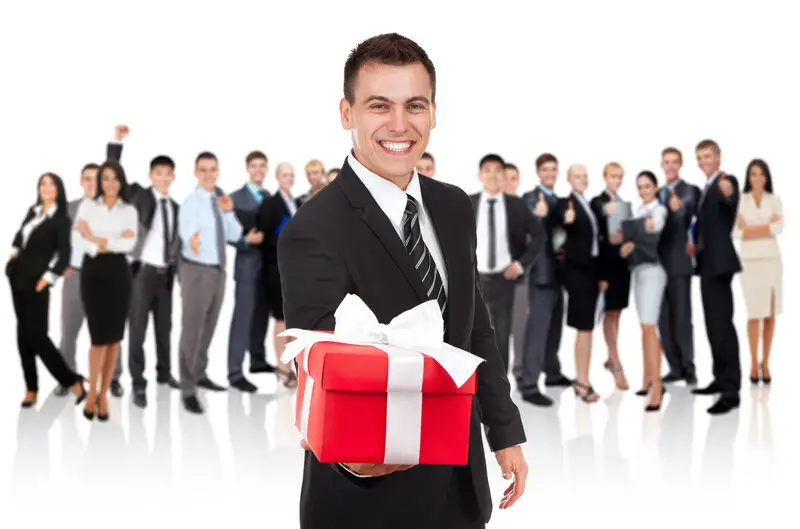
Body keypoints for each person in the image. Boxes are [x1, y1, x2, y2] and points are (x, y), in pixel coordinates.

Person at [277, 33, 527, 529]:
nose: (399, 125)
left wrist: (504, 432)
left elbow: (475, 327)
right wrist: (355, 460)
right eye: (378, 106)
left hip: (459, 486)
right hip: (364, 494)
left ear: (434, 111)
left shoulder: (454, 205)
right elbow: (321, 367)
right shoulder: (312, 229)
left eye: (414, 105)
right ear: (346, 113)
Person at [7, 173, 87, 408]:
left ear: (59, 189)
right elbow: (19, 236)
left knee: (38, 337)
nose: (46, 187)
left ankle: (72, 380)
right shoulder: (33, 211)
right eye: (42, 183)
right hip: (17, 279)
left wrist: (47, 279)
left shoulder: (61, 219)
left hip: (37, 282)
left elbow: (65, 255)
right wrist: (12, 259)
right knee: (22, 336)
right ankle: (31, 389)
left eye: (51, 184)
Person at [72, 160, 138, 421]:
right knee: (98, 338)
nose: (110, 183)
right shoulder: (88, 205)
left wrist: (96, 237)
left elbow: (130, 244)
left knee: (114, 339)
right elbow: (76, 239)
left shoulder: (129, 210)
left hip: (119, 275)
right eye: (106, 178)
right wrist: (108, 242)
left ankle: (103, 395)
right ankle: (91, 394)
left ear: (121, 181)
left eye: (115, 178)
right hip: (93, 274)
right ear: (99, 181)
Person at [177, 151, 242, 414]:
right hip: (197, 271)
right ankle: (187, 387)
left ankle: (200, 372)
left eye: (212, 169)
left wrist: (227, 212)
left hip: (218, 271)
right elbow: (186, 233)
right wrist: (191, 239)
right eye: (203, 169)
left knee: (209, 326)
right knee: (192, 329)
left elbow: (235, 234)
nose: (208, 174)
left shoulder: (219, 201)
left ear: (218, 172)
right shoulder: (191, 202)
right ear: (196, 173)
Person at [468, 153, 545, 374]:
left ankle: (500, 394)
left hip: (504, 278)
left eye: (497, 171)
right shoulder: (467, 202)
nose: (493, 175)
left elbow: (538, 236)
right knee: (472, 334)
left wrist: (520, 265)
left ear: (503, 176)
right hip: (475, 278)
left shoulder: (515, 205)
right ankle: (474, 391)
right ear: (480, 175)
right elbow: (453, 237)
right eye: (488, 170)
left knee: (501, 335)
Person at [125, 152, 182, 408]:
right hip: (142, 273)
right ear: (150, 176)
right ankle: (138, 381)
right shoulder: (139, 197)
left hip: (165, 274)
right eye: (158, 173)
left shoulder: (176, 207)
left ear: (173, 177)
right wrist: (116, 146)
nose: (163, 178)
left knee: (164, 327)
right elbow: (118, 181)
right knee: (137, 329)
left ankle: (163, 372)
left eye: (167, 173)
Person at [691, 139, 742, 415]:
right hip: (707, 264)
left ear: (718, 157)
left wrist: (727, 192)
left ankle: (731, 390)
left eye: (707, 156)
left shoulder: (725, 180)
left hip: (720, 264)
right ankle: (720, 378)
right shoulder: (705, 187)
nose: (703, 161)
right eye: (699, 157)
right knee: (712, 325)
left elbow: (730, 197)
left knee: (722, 325)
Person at [519, 153, 572, 400]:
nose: (550, 173)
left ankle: (552, 373)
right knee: (538, 329)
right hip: (541, 272)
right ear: (539, 172)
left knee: (554, 328)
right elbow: (523, 229)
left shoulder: (560, 201)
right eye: (546, 169)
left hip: (560, 273)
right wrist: (536, 215)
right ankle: (529, 385)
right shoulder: (531, 198)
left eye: (553, 169)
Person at [619, 171, 668, 411]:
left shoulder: (659, 210)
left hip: (653, 272)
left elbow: (655, 229)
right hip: (637, 271)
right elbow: (630, 237)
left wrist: (643, 233)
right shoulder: (638, 211)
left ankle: (657, 388)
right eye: (640, 187)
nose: (643, 191)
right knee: (644, 327)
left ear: (656, 188)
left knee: (650, 328)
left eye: (648, 186)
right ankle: (647, 378)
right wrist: (626, 246)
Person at [227, 150, 272, 394]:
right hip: (246, 268)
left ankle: (257, 360)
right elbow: (227, 232)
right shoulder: (234, 198)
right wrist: (245, 239)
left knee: (261, 317)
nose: (258, 170)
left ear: (266, 169)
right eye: (254, 165)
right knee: (242, 319)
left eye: (262, 166)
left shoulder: (268, 196)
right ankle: (234, 372)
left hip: (267, 268)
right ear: (247, 168)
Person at [734, 158, 782, 385]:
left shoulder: (775, 200)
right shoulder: (740, 201)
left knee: (770, 314)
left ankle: (766, 361)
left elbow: (779, 228)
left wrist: (751, 227)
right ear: (748, 177)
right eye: (753, 173)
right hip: (750, 262)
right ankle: (753, 362)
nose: (757, 178)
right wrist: (765, 227)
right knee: (755, 314)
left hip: (772, 261)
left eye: (761, 173)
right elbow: (737, 233)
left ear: (767, 177)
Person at [557, 164, 602, 403]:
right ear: (569, 179)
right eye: (577, 176)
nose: (582, 179)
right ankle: (582, 382)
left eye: (585, 176)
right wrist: (567, 220)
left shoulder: (588, 203)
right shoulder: (568, 204)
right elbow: (562, 221)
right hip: (578, 274)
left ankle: (582, 379)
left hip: (590, 272)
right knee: (584, 328)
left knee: (587, 329)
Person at [657, 147, 701, 386]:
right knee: (664, 319)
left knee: (683, 318)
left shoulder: (690, 191)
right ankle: (674, 367)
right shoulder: (657, 193)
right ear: (662, 165)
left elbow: (694, 220)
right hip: (657, 265)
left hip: (680, 263)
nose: (670, 166)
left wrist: (679, 210)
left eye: (675, 162)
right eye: (666, 162)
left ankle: (689, 367)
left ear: (681, 164)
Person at [256, 162, 299, 388]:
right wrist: (288, 238)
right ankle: (282, 369)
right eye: (284, 175)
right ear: (276, 177)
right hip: (276, 270)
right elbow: (263, 239)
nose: (289, 178)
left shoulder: (296, 202)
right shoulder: (270, 204)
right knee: (281, 320)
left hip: (294, 271)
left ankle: (292, 366)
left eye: (291, 175)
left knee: (293, 321)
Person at [590, 162, 631, 391]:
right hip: (606, 265)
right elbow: (593, 236)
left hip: (622, 264)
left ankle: (610, 355)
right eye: (612, 176)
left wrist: (628, 239)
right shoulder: (597, 203)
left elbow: (630, 230)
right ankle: (616, 362)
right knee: (608, 313)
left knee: (617, 314)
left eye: (619, 176)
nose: (616, 180)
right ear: (604, 177)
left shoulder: (625, 205)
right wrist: (603, 214)